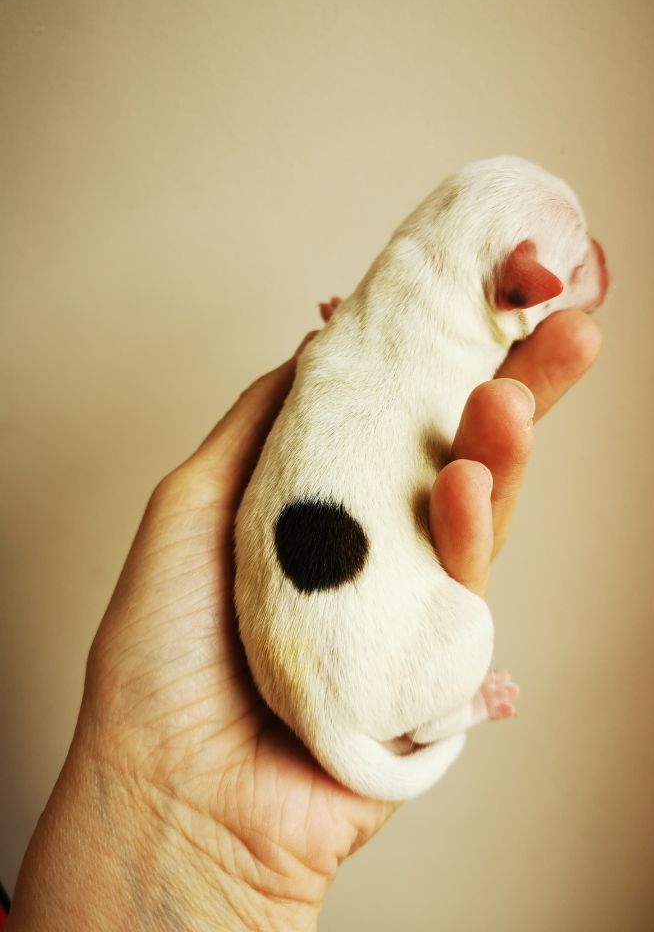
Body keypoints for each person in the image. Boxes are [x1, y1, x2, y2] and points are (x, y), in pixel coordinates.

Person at [7, 309, 601, 931]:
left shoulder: (359, 350)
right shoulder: (406, 355)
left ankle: (443, 714)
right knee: (459, 583)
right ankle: (444, 716)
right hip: (337, 672)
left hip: (306, 670)